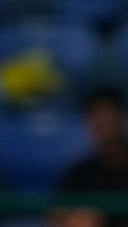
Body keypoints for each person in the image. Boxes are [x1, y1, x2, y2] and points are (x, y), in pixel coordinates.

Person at [49, 86, 128, 227]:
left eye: (107, 114)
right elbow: (55, 214)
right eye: (95, 116)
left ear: (121, 117)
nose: (102, 122)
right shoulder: (81, 172)